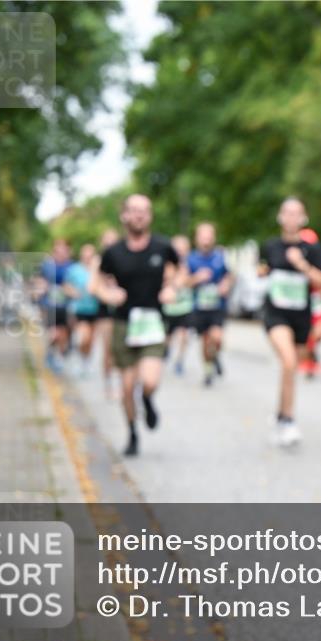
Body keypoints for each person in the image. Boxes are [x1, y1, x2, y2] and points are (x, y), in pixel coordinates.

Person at [91, 194, 180, 457]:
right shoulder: (113, 252)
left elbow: (180, 270)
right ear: (124, 216)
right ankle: (132, 432)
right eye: (134, 211)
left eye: (144, 211)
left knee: (150, 380)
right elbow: (95, 283)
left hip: (153, 321)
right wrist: (108, 295)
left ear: (150, 216)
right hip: (124, 323)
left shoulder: (163, 247)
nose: (139, 215)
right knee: (127, 387)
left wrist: (172, 288)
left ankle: (148, 398)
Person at [259, 197, 321, 447]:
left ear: (303, 219)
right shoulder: (270, 246)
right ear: (280, 217)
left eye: (296, 214)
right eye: (286, 213)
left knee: (290, 368)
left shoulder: (313, 250)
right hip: (275, 314)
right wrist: (262, 272)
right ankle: (288, 420)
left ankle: (280, 414)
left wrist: (302, 266)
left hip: (301, 317)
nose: (291, 218)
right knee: (289, 361)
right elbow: (262, 268)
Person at [188, 222, 233, 387]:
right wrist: (195, 279)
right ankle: (208, 370)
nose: (206, 240)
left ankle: (215, 356)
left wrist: (225, 284)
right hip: (199, 307)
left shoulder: (221, 256)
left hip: (217, 306)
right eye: (202, 236)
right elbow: (183, 282)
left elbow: (229, 276)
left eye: (209, 236)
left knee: (217, 338)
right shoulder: (190, 258)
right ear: (197, 238)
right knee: (206, 341)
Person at [64, 244, 102, 376]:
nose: (87, 257)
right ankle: (81, 359)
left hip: (96, 308)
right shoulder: (74, 269)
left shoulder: (98, 269)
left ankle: (86, 362)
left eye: (90, 255)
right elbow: (66, 286)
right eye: (85, 255)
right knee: (84, 338)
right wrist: (73, 292)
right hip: (79, 309)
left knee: (91, 340)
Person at [297, 227, 321, 378]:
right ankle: (308, 360)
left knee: (320, 332)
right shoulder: (295, 257)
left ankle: (312, 352)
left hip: (317, 298)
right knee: (305, 332)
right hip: (302, 300)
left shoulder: (320, 258)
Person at [38, 239, 73, 372]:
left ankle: (54, 354)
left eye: (63, 251)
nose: (60, 254)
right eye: (57, 251)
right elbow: (40, 283)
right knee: (54, 333)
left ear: (68, 252)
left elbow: (76, 287)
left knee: (62, 334)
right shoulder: (46, 266)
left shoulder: (71, 267)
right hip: (49, 305)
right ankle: (53, 355)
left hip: (65, 307)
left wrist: (69, 290)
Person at [163, 234, 195, 376]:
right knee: (167, 337)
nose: (180, 252)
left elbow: (192, 282)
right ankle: (166, 350)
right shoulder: (167, 266)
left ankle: (180, 361)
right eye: (178, 249)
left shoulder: (190, 265)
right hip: (169, 308)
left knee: (184, 335)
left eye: (183, 249)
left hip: (185, 306)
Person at [94, 229, 120, 397]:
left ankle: (125, 384)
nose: (110, 243)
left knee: (124, 349)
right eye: (107, 240)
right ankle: (108, 385)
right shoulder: (98, 262)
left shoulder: (125, 257)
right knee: (109, 348)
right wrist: (107, 293)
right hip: (105, 310)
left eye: (113, 240)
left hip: (123, 308)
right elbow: (92, 286)